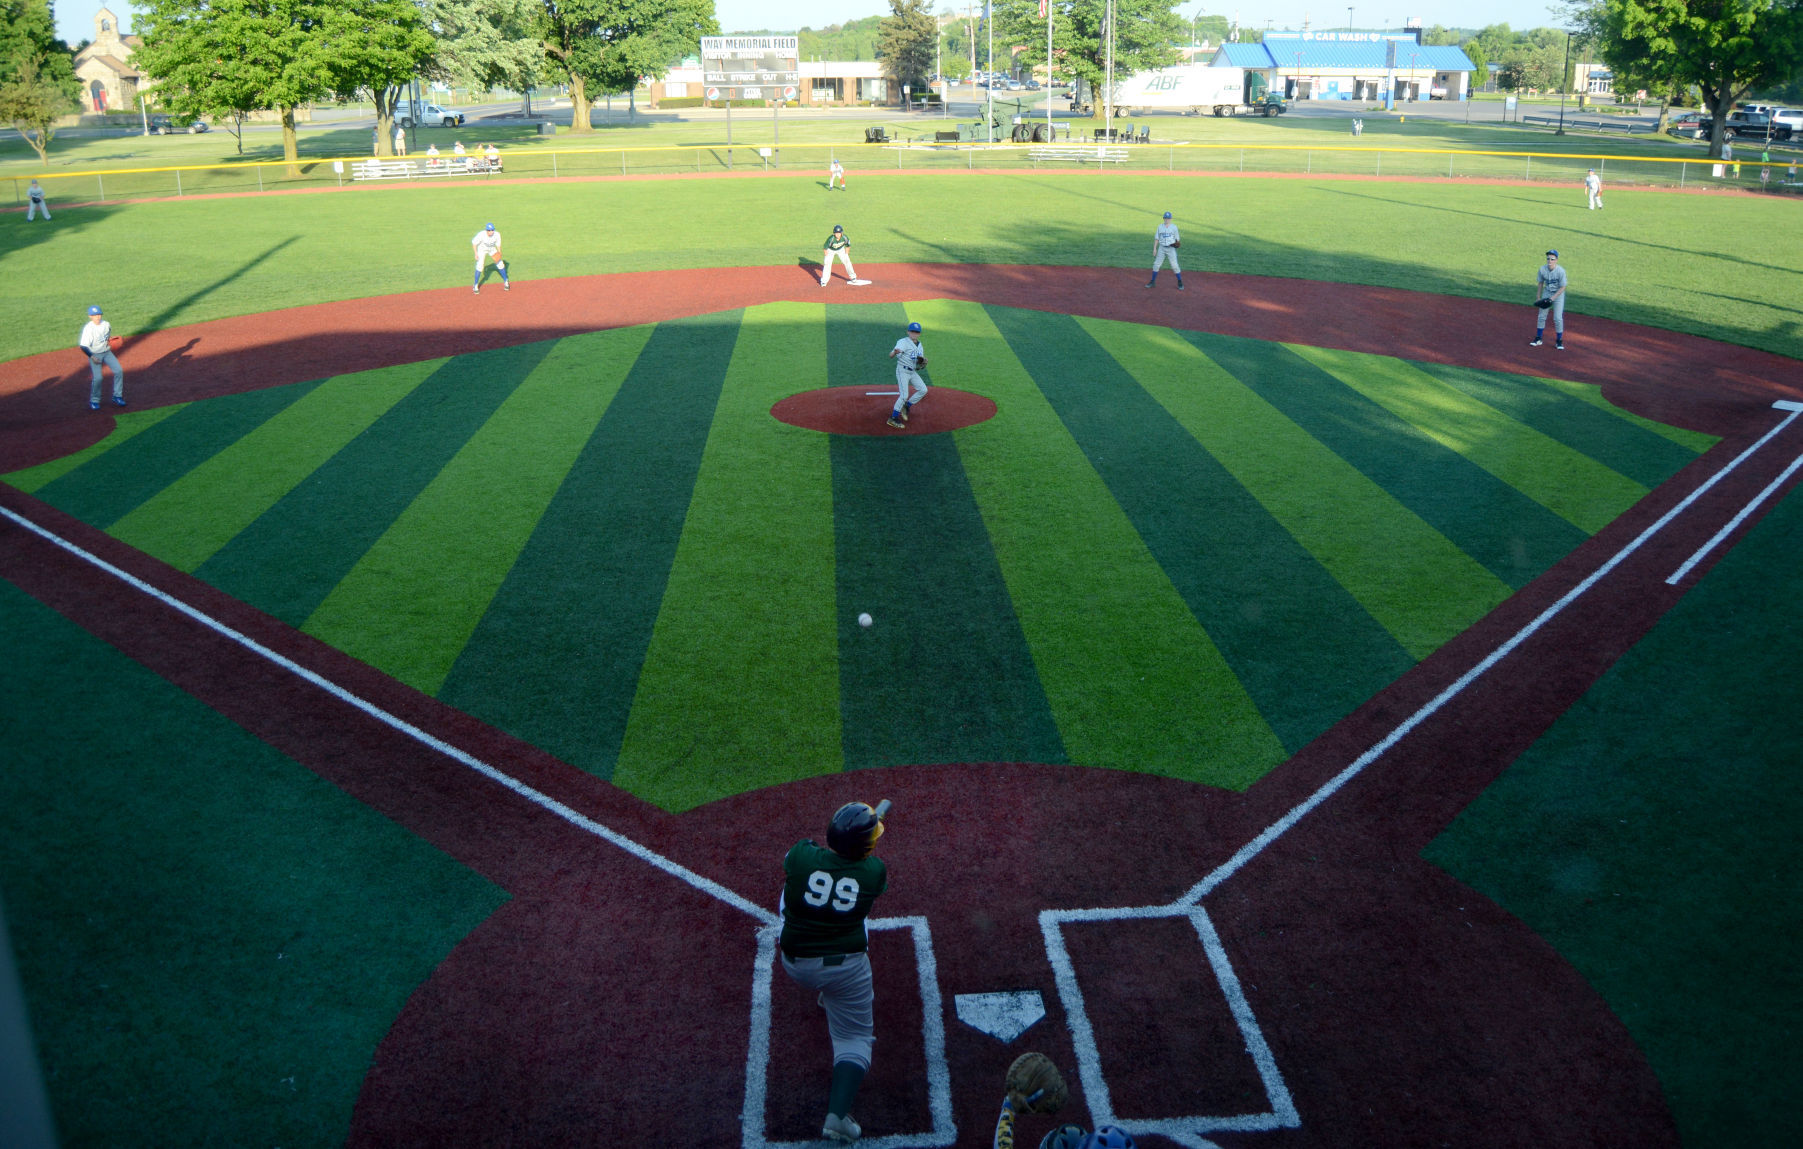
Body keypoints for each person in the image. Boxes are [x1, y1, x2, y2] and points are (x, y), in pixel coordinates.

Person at [779, 801, 890, 1145]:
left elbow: (800, 857)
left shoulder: (802, 856)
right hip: (844, 970)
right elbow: (861, 870)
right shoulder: (874, 872)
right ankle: (837, 1118)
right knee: (854, 1039)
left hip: (795, 963)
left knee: (789, 895)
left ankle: (829, 996)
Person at [79, 305, 124, 410]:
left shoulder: (106, 324)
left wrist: (111, 339)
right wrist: (92, 356)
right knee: (98, 378)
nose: (98, 317)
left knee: (119, 371)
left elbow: (107, 336)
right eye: (95, 315)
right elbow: (83, 346)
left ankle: (117, 396)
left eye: (99, 314)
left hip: (107, 352)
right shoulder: (88, 329)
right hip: (95, 354)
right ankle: (94, 401)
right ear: (90, 316)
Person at [887, 321, 927, 428]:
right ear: (908, 332)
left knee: (923, 390)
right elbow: (891, 355)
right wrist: (895, 352)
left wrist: (922, 362)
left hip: (912, 371)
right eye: (912, 331)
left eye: (916, 332)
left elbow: (919, 361)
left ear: (919, 334)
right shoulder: (903, 342)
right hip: (903, 371)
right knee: (904, 395)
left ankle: (906, 406)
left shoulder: (920, 345)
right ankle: (893, 418)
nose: (914, 334)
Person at [1531, 249, 1567, 350]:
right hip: (1547, 293)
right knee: (1542, 316)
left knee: (1557, 318)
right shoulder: (1542, 269)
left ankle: (1559, 341)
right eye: (1548, 259)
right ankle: (1538, 338)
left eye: (1552, 259)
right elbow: (1540, 283)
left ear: (1556, 260)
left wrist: (1552, 298)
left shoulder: (1560, 271)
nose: (1550, 261)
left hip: (1558, 295)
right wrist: (1538, 297)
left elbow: (1563, 287)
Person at [1146, 210, 1183, 290]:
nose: (1167, 220)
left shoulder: (1174, 227)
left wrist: (1176, 244)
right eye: (1165, 218)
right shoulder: (1160, 227)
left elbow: (1177, 239)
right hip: (1162, 248)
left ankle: (1180, 282)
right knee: (1156, 265)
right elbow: (1157, 238)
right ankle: (1152, 281)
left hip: (1171, 249)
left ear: (1171, 219)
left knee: (1175, 266)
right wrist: (1155, 249)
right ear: (1163, 218)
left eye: (1168, 218)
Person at [471, 222, 508, 293]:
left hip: (492, 249)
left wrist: (499, 252)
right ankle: (475, 285)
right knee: (480, 266)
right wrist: (476, 254)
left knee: (500, 264)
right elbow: (474, 243)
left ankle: (506, 281)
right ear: (486, 230)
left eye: (492, 230)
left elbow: (498, 244)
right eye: (489, 230)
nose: (491, 232)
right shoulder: (481, 235)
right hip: (482, 250)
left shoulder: (497, 234)